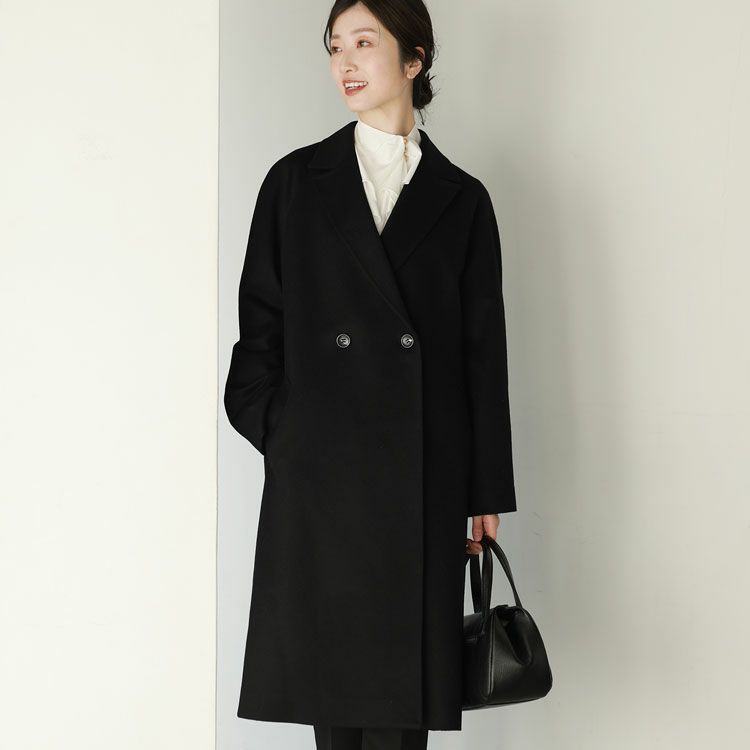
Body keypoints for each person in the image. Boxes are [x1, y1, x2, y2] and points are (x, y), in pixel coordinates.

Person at [224, 1, 517, 748]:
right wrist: (288, 433)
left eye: (364, 42)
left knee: (398, 716)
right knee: (335, 711)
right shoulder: (295, 183)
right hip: (321, 484)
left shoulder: (463, 200)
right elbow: (258, 336)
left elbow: (483, 357)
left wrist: (484, 490)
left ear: (414, 60)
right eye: (334, 47)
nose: (345, 63)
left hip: (421, 483)